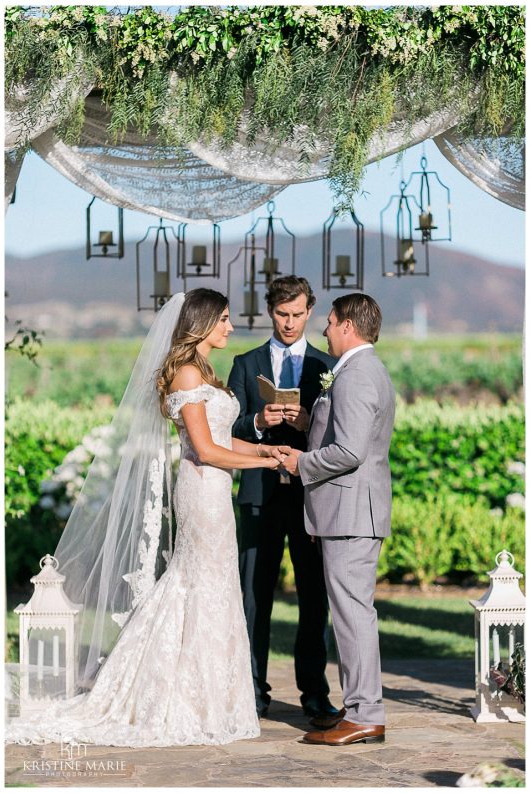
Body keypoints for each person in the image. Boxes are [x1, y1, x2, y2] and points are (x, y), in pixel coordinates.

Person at [6, 289, 290, 748]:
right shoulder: (183, 373)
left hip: (217, 491)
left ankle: (211, 696)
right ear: (201, 323)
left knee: (213, 587)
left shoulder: (205, 373)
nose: (230, 327)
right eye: (223, 319)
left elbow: (223, 439)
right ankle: (166, 694)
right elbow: (203, 449)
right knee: (195, 584)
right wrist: (268, 465)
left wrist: (263, 448)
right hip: (201, 494)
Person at [280, 293, 395, 746]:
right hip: (350, 511)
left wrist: (300, 464)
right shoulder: (363, 370)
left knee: (352, 615)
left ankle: (365, 712)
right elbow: (348, 435)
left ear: (348, 326)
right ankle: (361, 707)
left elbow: (350, 451)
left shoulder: (356, 375)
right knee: (353, 613)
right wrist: (312, 422)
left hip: (350, 513)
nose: (323, 331)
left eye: (328, 323)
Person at [228, 276, 339, 723]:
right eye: (281, 314)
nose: (289, 323)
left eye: (297, 314)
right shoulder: (245, 363)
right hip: (258, 495)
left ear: (309, 311)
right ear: (269, 311)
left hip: (312, 498)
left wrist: (309, 420)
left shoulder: (327, 365)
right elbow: (224, 430)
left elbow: (338, 435)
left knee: (314, 597)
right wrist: (257, 420)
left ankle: (314, 693)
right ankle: (253, 691)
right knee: (253, 597)